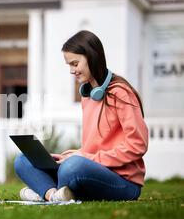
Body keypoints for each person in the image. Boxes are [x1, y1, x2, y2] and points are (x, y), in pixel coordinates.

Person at [14, 30, 148, 202]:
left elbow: (137, 145)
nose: (72, 70)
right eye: (69, 65)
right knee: (23, 160)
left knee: (72, 167)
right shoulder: (88, 95)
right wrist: (78, 152)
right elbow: (97, 146)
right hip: (90, 169)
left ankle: (45, 191)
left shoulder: (120, 93)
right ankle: (52, 195)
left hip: (123, 183)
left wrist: (84, 158)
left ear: (92, 57)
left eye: (75, 64)